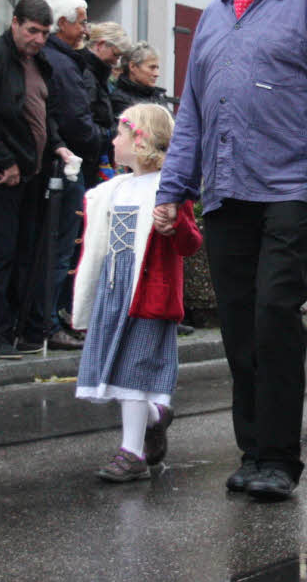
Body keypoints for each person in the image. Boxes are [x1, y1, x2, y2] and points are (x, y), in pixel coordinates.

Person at [154, 0, 307, 502]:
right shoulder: (214, 14)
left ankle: (280, 458)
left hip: (292, 186)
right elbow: (190, 112)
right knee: (238, 327)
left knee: (275, 314)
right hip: (226, 192)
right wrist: (175, 187)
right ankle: (252, 452)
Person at [73, 104, 202, 481]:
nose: (113, 141)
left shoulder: (170, 188)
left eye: (120, 134)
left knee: (133, 374)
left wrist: (175, 223)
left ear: (140, 138)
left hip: (148, 294)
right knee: (116, 372)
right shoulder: (113, 189)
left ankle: (132, 455)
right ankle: (155, 415)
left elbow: (190, 244)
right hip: (115, 291)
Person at [0, 0, 75, 359]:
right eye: (33, 31)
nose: (39, 39)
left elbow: (44, 114)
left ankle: (19, 329)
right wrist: (3, 161)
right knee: (0, 254)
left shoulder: (39, 63)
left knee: (27, 254)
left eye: (45, 33)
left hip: (32, 174)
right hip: (2, 175)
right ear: (16, 24)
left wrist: (58, 146)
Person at [43, 0, 106, 351]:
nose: (85, 28)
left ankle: (55, 315)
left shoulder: (64, 60)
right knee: (63, 245)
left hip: (68, 159)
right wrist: (100, 138)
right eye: (81, 21)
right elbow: (75, 118)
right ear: (62, 23)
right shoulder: (64, 65)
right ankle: (50, 321)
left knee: (65, 244)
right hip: (69, 164)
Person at [79, 22, 131, 187]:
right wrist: (108, 133)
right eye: (116, 55)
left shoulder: (96, 75)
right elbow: (85, 118)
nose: (116, 62)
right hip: (89, 158)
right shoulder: (89, 76)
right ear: (101, 45)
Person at [110, 42, 171, 117]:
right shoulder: (119, 100)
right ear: (132, 67)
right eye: (152, 67)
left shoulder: (158, 96)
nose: (157, 74)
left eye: (157, 68)